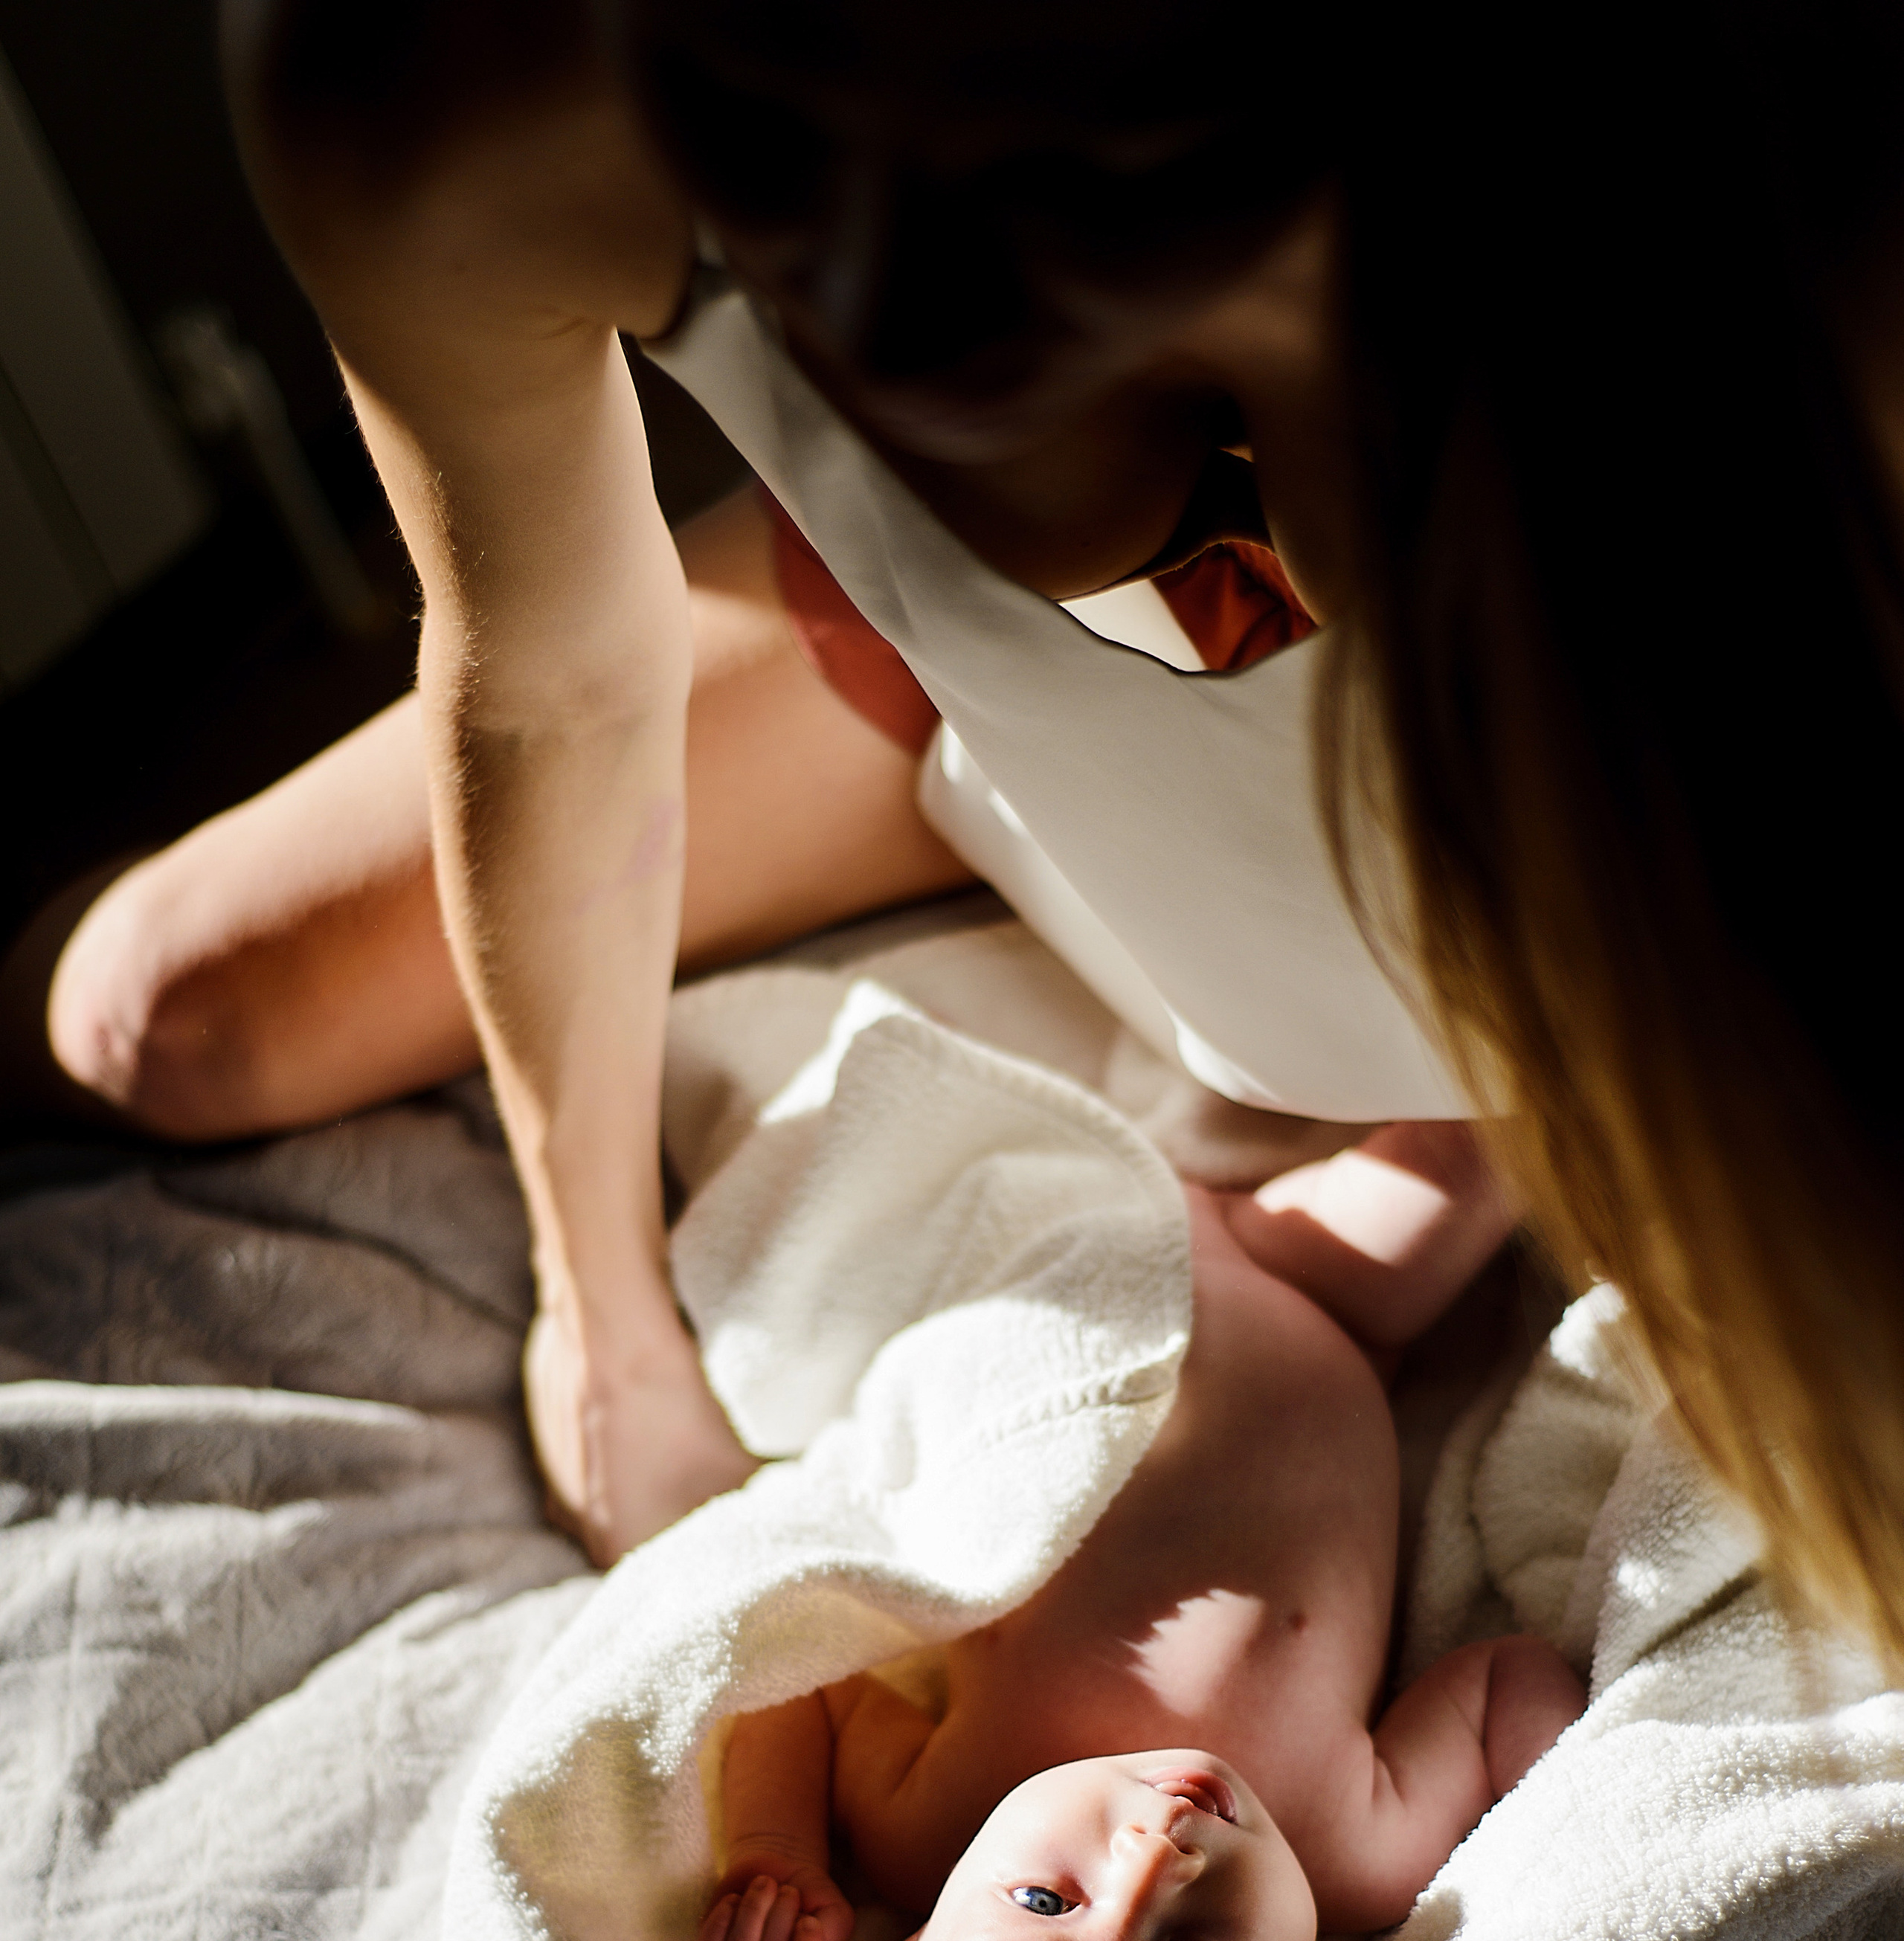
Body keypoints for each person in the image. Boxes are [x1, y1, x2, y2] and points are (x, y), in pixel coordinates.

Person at [11, 1, 1904, 1658]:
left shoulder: (1756, 187)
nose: (869, 306)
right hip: (945, 666)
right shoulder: (436, 69)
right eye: (770, 147)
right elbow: (547, 689)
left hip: (1491, 628)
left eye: (1044, 198)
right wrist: (605, 1319)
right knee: (153, 1013)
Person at [701, 1121, 1586, 1941]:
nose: (1154, 1861)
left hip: (1105, 1280)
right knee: (1494, 1141)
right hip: (1333, 1309)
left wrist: (781, 1849)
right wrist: (1558, 1859)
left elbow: (799, 1684)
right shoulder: (1362, 1849)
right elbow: (1508, 1687)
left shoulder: (936, 1816)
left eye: (1043, 1899)